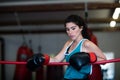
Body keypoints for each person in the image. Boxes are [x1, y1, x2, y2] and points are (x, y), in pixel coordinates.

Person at [27, 14, 106, 80]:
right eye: (67, 29)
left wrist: (89, 57)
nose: (70, 32)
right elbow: (57, 59)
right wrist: (43, 59)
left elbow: (104, 60)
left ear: (81, 28)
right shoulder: (68, 43)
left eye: (73, 28)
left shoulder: (87, 44)